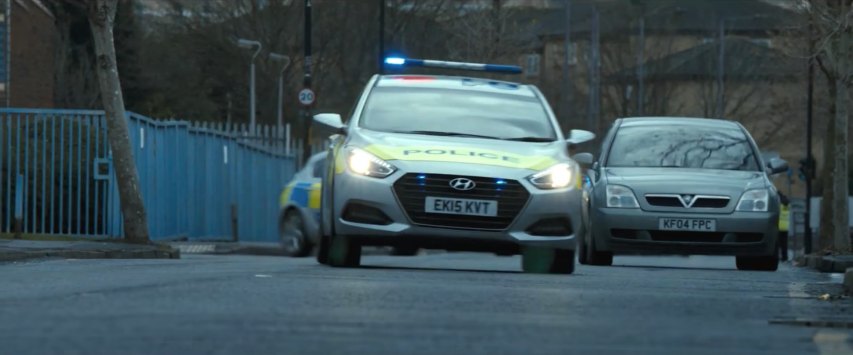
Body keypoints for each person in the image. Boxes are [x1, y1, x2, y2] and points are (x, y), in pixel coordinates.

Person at [778, 192, 790, 261]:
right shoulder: (787, 205)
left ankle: (778, 256)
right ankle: (784, 257)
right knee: (784, 244)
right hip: (785, 226)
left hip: (778, 226)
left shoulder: (779, 205)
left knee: (777, 243)